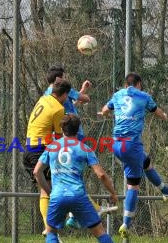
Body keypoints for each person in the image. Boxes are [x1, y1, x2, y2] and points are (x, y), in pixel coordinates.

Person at [33, 114, 135, 243]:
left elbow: (37, 172)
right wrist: (113, 193)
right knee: (100, 232)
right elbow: (101, 174)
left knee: (51, 232)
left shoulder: (52, 147)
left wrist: (50, 191)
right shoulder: (85, 148)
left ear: (62, 129)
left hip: (58, 196)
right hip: (79, 196)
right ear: (78, 129)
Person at [100, 72, 168, 238]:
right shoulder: (144, 96)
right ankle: (126, 224)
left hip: (116, 144)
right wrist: (165, 116)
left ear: (126, 84)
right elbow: (157, 111)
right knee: (133, 186)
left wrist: (107, 114)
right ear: (138, 83)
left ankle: (166, 191)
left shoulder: (117, 95)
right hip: (131, 144)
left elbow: (104, 111)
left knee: (146, 163)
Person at [44, 66, 117, 228]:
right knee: (76, 173)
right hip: (74, 134)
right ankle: (84, 212)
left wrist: (80, 90)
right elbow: (85, 99)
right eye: (62, 78)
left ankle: (72, 215)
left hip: (59, 137)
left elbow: (72, 104)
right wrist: (82, 92)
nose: (64, 80)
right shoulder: (63, 89)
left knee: (65, 174)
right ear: (58, 80)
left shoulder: (47, 95)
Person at [23, 79, 70, 235]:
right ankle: (50, 229)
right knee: (51, 188)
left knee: (45, 189)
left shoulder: (43, 99)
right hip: (40, 149)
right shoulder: (58, 108)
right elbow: (59, 136)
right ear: (65, 94)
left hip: (29, 148)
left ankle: (50, 228)